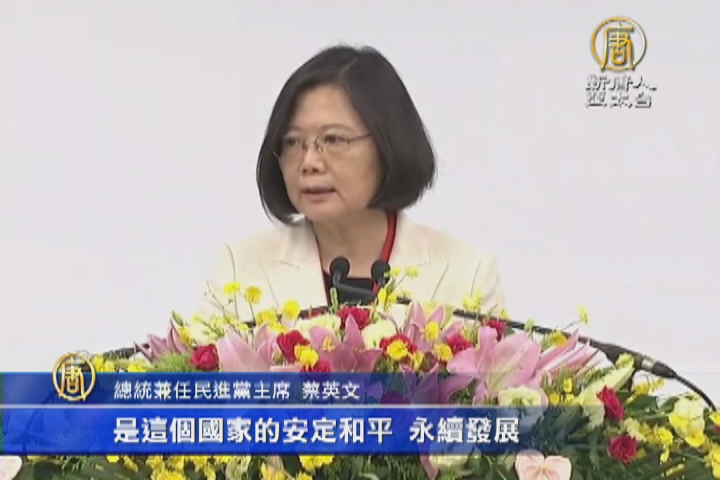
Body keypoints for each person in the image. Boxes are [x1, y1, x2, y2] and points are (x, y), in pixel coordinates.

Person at [196, 44, 505, 325]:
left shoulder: (468, 275)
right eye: (292, 142)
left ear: (387, 144)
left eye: (333, 139)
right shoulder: (239, 269)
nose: (309, 162)